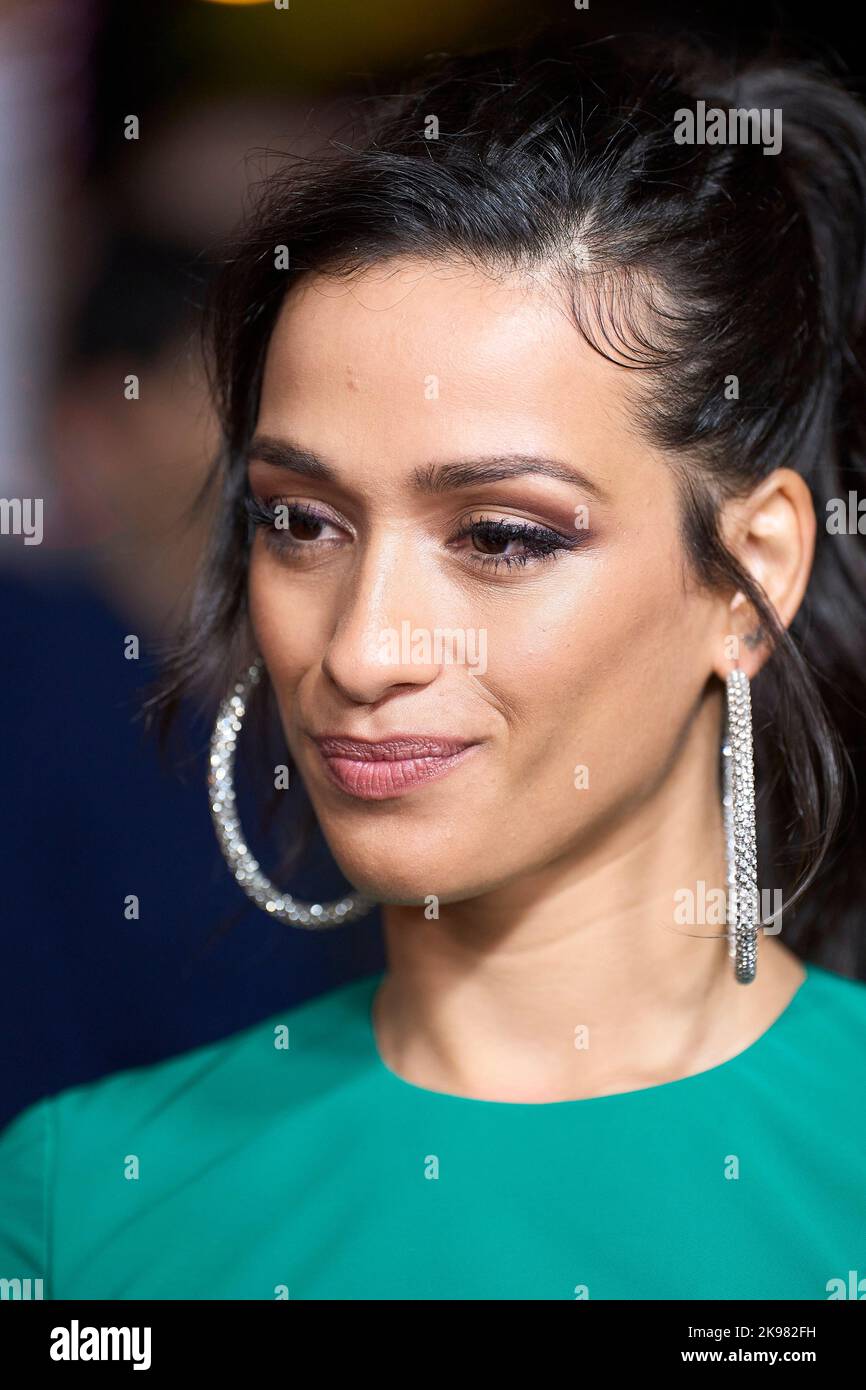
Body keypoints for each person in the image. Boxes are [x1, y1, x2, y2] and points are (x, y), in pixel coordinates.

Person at [2, 25, 866, 1301]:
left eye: (502, 537)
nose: (361, 647)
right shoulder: (87, 1199)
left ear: (752, 579)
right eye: (300, 521)